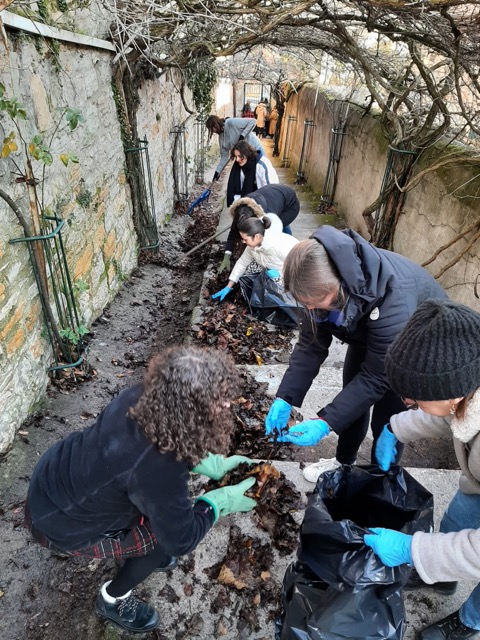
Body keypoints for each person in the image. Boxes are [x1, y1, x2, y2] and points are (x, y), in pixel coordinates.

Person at [24, 346, 257, 634]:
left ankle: (138, 552)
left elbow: (156, 445)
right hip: (57, 524)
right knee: (162, 541)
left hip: (50, 478)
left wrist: (200, 461)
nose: (226, 408)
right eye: (218, 403)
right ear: (188, 411)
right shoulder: (160, 469)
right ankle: (112, 599)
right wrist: (216, 502)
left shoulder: (140, 397)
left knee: (155, 520)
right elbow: (180, 540)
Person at [265, 226, 447, 483]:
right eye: (305, 303)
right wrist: (286, 397)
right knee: (351, 397)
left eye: (316, 303)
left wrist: (324, 422)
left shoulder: (394, 299)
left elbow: (375, 377)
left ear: (340, 286)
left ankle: (382, 478)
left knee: (387, 417)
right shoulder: (313, 287)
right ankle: (343, 462)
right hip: (367, 332)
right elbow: (310, 346)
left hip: (412, 344)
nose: (308, 308)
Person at [364, 299, 480, 640]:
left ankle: (470, 622)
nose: (408, 403)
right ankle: (440, 577)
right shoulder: (466, 390)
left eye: (415, 398)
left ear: (455, 395)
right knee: (457, 521)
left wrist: (412, 549)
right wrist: (394, 428)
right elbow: (446, 416)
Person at [212, 198, 298, 302]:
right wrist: (228, 286)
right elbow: (242, 263)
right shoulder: (252, 247)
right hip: (272, 268)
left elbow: (300, 269)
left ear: (256, 237)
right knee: (248, 271)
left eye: (245, 239)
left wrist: (281, 278)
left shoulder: (279, 247)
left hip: (291, 275)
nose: (243, 242)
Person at [219, 184, 300, 274]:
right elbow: (232, 234)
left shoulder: (268, 215)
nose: (243, 241)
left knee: (276, 234)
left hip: (290, 204)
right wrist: (226, 256)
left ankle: (291, 251)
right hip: (275, 196)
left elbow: (266, 240)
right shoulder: (240, 213)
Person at [205, 115, 263, 181]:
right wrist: (217, 172)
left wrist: (242, 136)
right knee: (249, 180)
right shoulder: (221, 139)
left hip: (256, 149)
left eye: (211, 128)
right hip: (244, 157)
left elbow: (253, 121)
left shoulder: (230, 123)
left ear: (215, 124)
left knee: (260, 175)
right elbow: (224, 157)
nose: (213, 131)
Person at [226, 140, 279, 208]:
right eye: (236, 157)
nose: (237, 160)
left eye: (240, 156)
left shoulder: (262, 164)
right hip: (248, 201)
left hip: (265, 200)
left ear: (247, 154)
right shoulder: (239, 166)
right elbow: (236, 189)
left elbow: (271, 189)